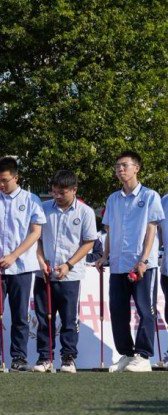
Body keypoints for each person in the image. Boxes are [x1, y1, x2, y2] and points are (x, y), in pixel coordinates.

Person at [96, 150, 164, 372]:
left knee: (145, 309)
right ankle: (126, 353)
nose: (120, 170)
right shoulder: (113, 199)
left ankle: (143, 356)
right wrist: (104, 256)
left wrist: (144, 260)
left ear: (137, 168)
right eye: (117, 166)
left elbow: (151, 229)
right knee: (118, 310)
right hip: (118, 264)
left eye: (124, 165)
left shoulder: (150, 196)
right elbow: (109, 229)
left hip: (143, 265)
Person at [0, 156, 46, 372]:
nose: (0, 185)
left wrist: (14, 255)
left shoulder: (31, 199)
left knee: (19, 314)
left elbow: (36, 232)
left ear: (16, 177)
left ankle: (19, 357)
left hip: (21, 267)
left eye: (4, 180)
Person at [35, 170, 97, 373]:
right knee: (44, 316)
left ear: (74, 190)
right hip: (44, 273)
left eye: (62, 193)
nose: (57, 196)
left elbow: (88, 242)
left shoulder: (85, 212)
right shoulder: (43, 209)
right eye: (54, 192)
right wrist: (41, 260)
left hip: (70, 275)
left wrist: (69, 265)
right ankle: (45, 357)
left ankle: (68, 357)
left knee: (69, 318)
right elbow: (37, 239)